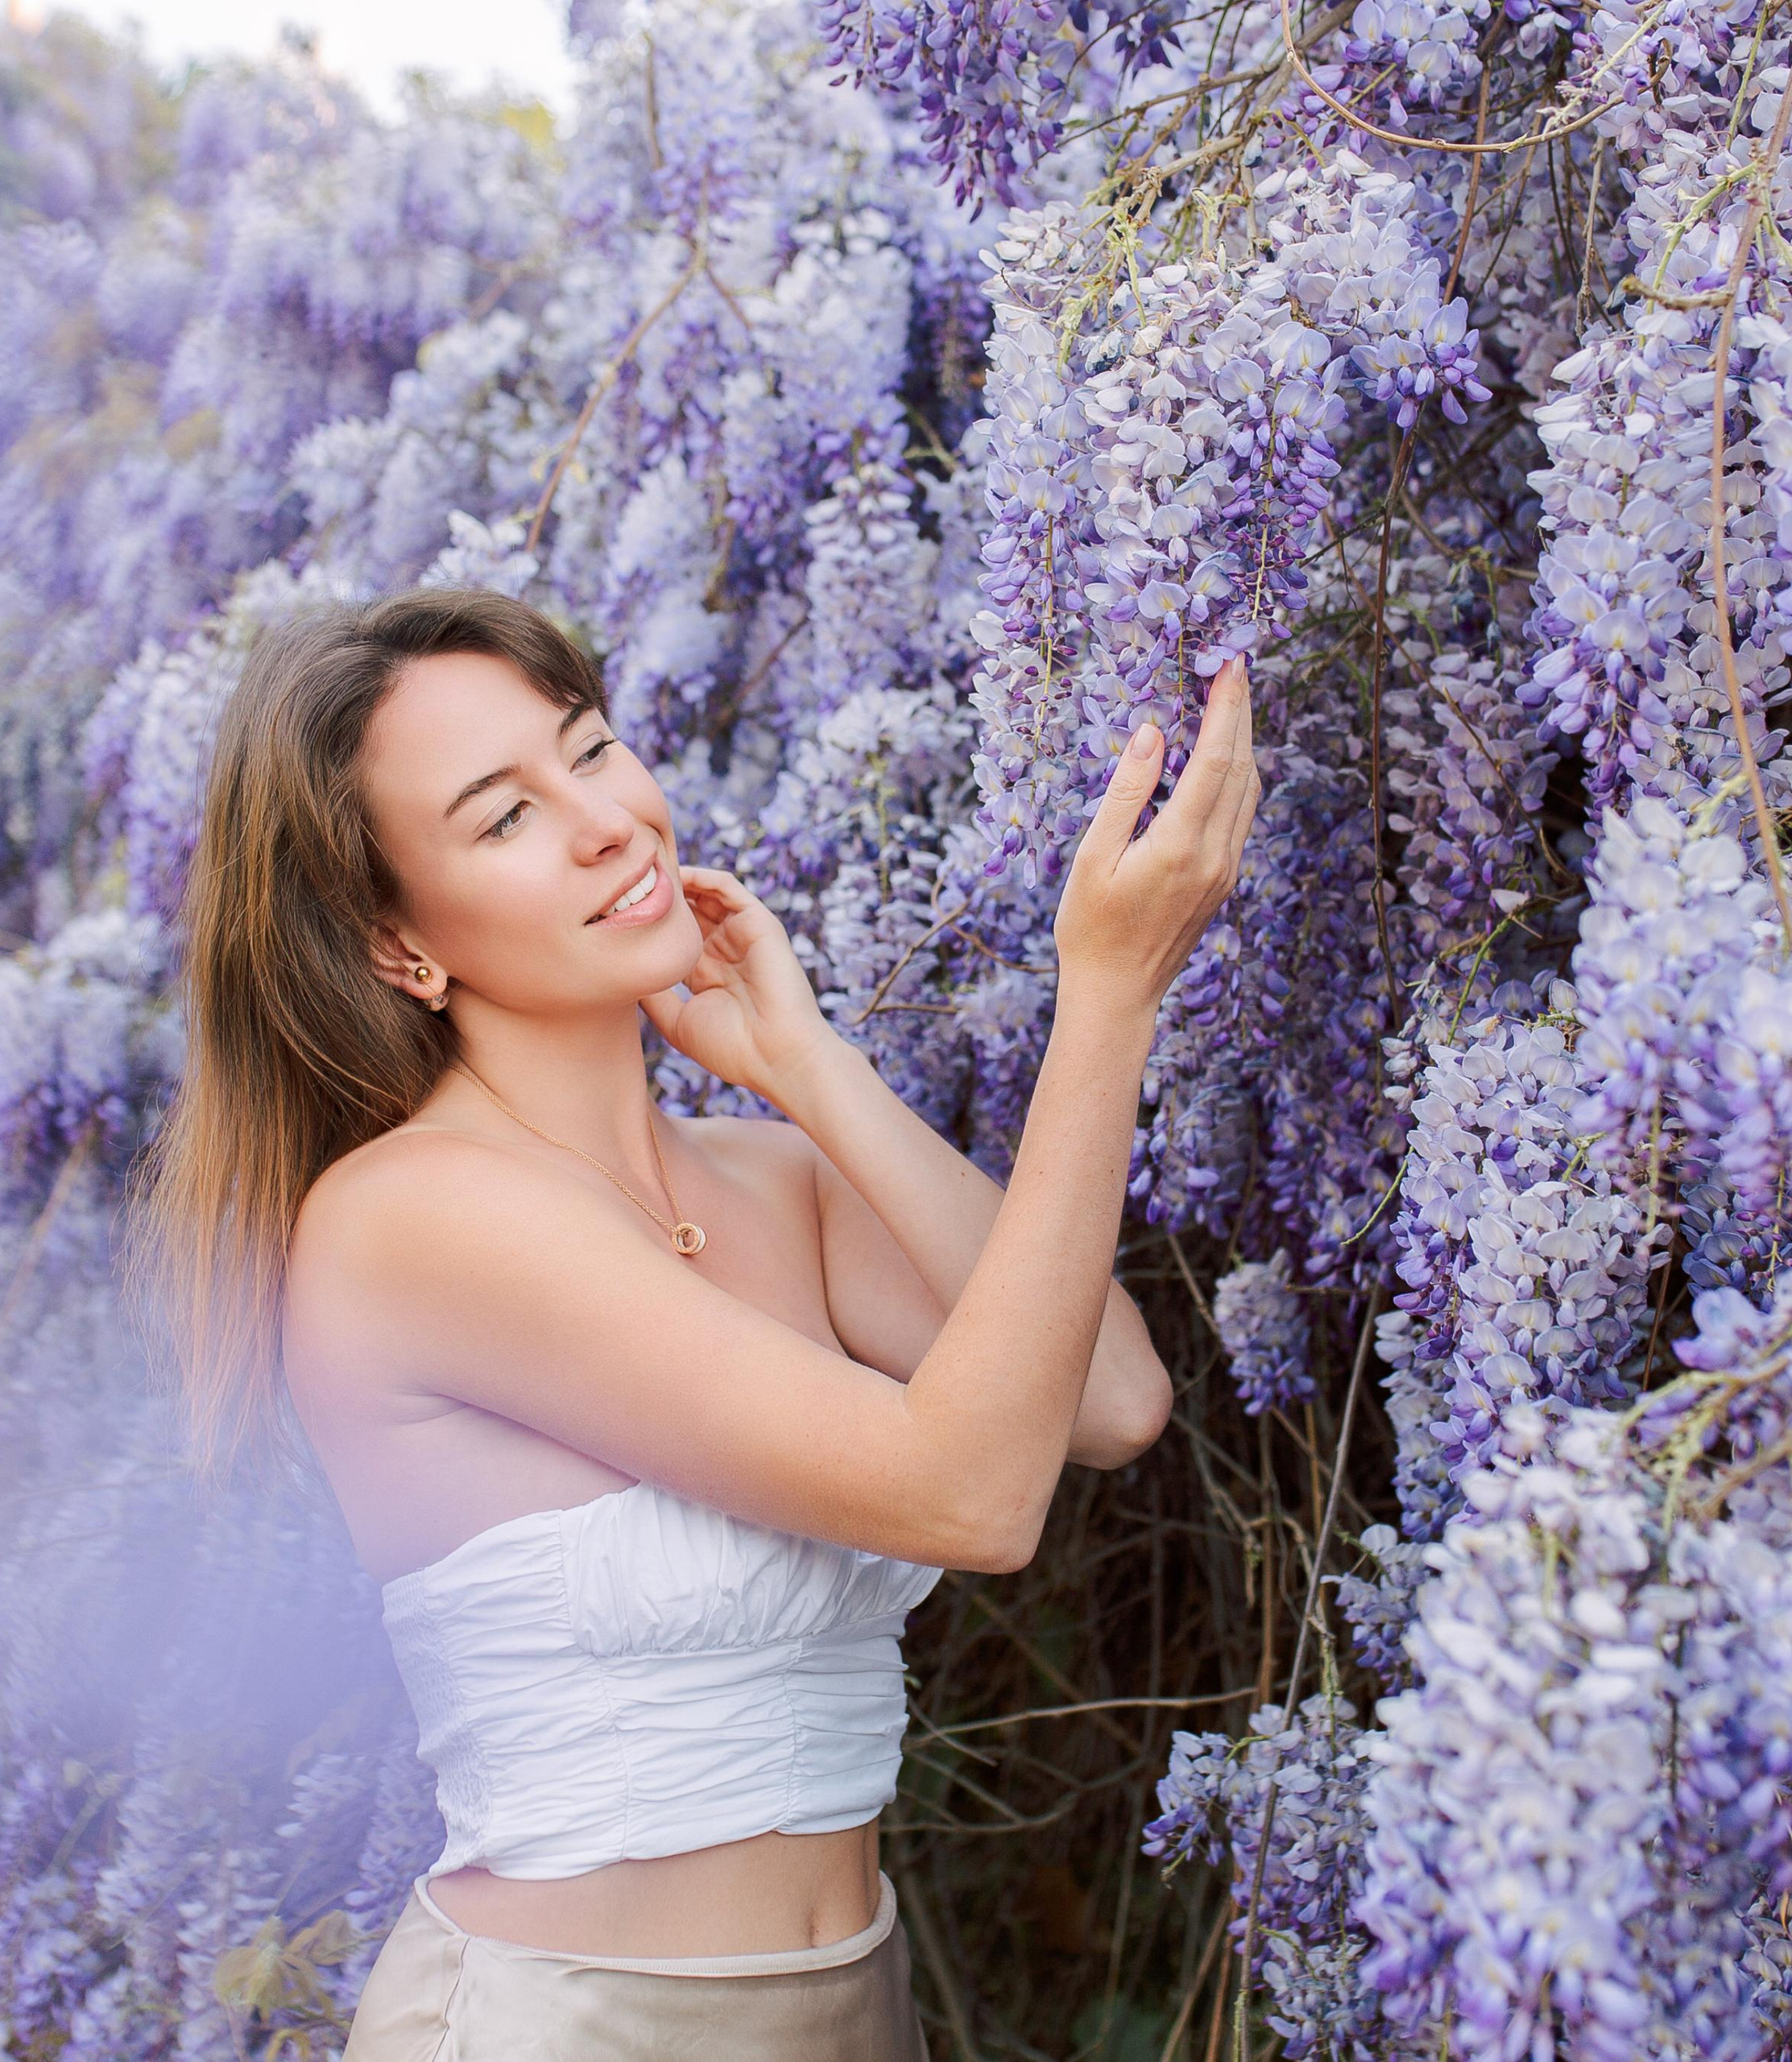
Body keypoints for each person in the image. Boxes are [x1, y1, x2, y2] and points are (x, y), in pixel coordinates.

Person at [123, 587, 1259, 2060]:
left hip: (857, 2005)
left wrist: (808, 1065)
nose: (603, 819)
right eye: (503, 818)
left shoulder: (768, 1176)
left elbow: (1109, 1401)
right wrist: (1106, 998)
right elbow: (971, 1494)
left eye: (588, 749)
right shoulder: (410, 1222)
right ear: (401, 948)